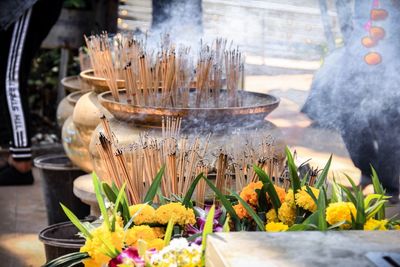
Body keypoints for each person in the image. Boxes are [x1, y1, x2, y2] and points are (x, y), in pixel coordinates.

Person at [302, 0, 400, 203]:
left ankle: (389, 185)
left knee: (388, 125)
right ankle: (365, 170)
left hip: (392, 61)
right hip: (356, 54)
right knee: (348, 117)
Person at [0, 0, 63, 185]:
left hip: (24, 5)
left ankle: (21, 163)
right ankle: (16, 156)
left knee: (11, 79)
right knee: (10, 75)